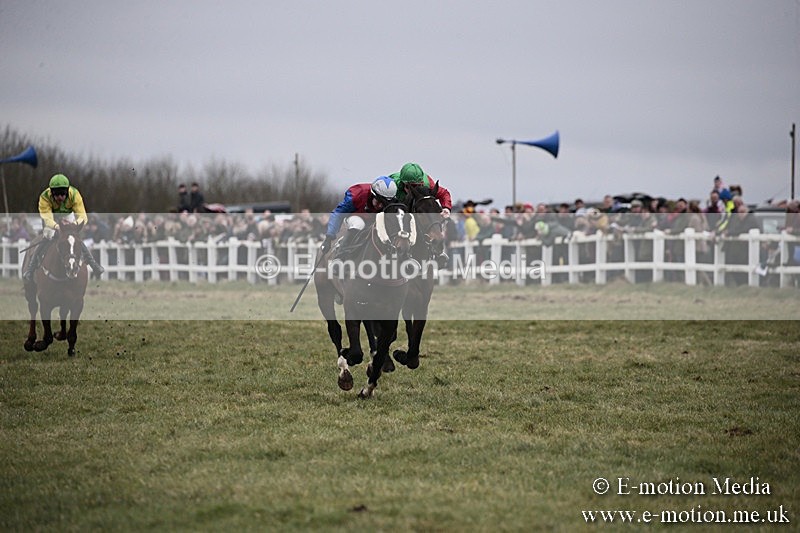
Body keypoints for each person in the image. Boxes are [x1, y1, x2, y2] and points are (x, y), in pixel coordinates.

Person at [23, 173, 105, 281]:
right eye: (56, 194)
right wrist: (57, 226)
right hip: (51, 217)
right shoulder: (44, 197)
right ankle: (30, 269)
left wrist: (73, 226)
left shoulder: (75, 194)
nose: (60, 197)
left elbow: (83, 217)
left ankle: (94, 265)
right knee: (47, 235)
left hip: (67, 215)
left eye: (63, 194)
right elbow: (47, 219)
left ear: (67, 191)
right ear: (51, 192)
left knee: (73, 237)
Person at [320, 176, 399, 255]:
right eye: (378, 201)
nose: (380, 206)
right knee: (359, 224)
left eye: (384, 204)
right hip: (355, 217)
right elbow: (338, 213)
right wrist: (329, 237)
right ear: (372, 195)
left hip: (374, 220)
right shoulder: (358, 194)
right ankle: (341, 255)